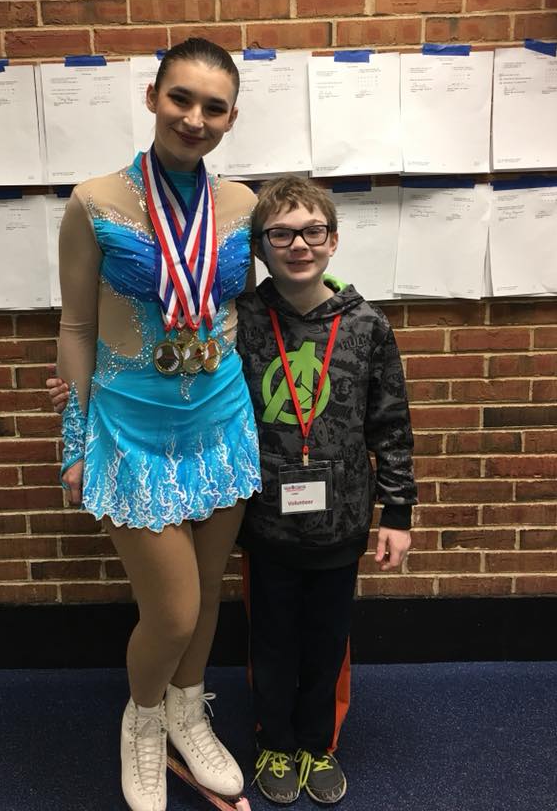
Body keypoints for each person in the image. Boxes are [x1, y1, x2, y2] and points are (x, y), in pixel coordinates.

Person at [55, 37, 262, 811]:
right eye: (182, 98)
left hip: (221, 422)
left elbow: (251, 303)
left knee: (206, 595)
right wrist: (73, 442)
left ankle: (187, 711)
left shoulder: (242, 206)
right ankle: (141, 723)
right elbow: (76, 327)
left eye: (214, 107)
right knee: (170, 609)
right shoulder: (94, 200)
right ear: (152, 97)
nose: (195, 118)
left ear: (231, 117)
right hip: (130, 428)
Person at [236, 175, 416, 805]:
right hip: (266, 522)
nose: (298, 244)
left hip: (342, 521)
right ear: (262, 246)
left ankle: (317, 745)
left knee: (326, 640)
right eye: (280, 233)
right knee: (272, 638)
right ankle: (274, 743)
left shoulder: (367, 326)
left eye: (312, 231)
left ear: (333, 240)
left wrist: (397, 510)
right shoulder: (242, 322)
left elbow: (390, 424)